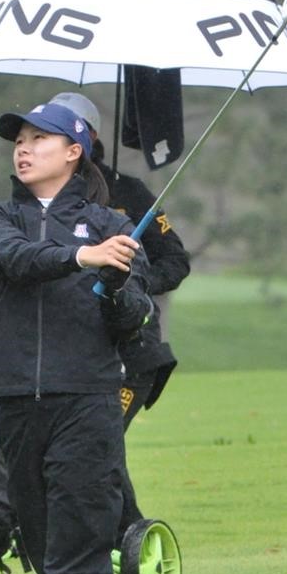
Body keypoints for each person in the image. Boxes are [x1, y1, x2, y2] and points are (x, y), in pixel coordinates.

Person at [0, 100, 157, 574]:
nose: (23, 148)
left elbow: (135, 321)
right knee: (53, 557)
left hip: (88, 405)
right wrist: (82, 262)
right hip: (19, 401)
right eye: (18, 139)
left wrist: (121, 286)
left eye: (39, 138)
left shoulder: (112, 226)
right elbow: (10, 257)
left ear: (75, 150)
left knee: (78, 560)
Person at [46, 91, 188, 531]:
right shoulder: (39, 204)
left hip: (132, 353)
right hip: (67, 355)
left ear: (84, 139)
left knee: (96, 451)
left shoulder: (130, 194)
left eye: (52, 134)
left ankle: (127, 545)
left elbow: (175, 261)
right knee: (75, 454)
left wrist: (130, 282)